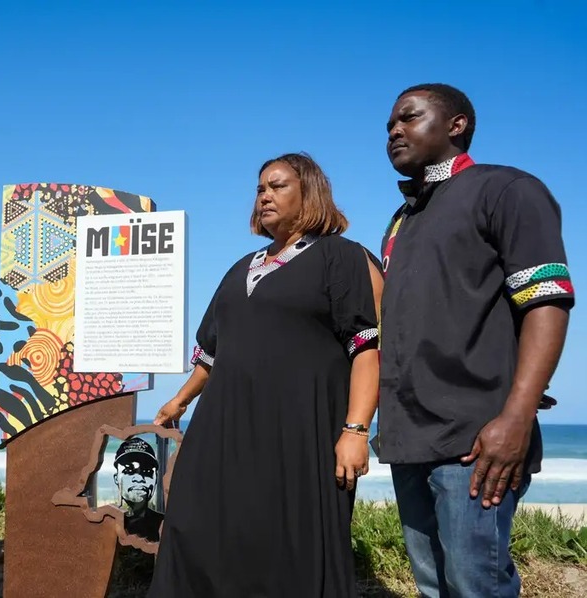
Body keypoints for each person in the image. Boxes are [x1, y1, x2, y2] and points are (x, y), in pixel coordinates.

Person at [148, 153, 383, 597]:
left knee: (285, 543)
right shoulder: (242, 267)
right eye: (260, 189)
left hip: (300, 432)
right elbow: (211, 355)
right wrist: (179, 400)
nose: (265, 196)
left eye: (278, 186)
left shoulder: (341, 257)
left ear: (309, 193)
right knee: (194, 525)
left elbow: (366, 349)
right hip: (223, 428)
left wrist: (356, 430)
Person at [378, 83, 574, 597]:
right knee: (433, 585)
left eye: (408, 117)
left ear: (457, 124)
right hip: (409, 437)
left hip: (476, 438)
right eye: (389, 125)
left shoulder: (506, 189)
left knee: (475, 584)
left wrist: (516, 418)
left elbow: (546, 301)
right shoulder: (402, 219)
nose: (394, 130)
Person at [112, 437, 163, 543]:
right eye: (129, 470)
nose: (139, 478)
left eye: (147, 471)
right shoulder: (105, 521)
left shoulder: (166, 524)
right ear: (116, 478)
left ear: (156, 478)